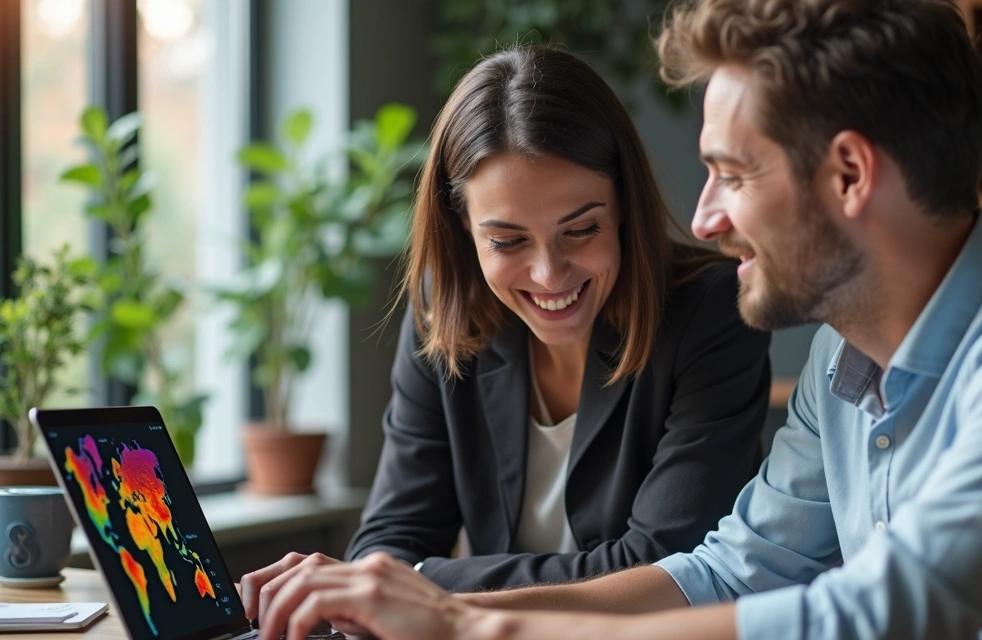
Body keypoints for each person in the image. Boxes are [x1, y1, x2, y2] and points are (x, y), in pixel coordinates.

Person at [247, 1, 982, 639]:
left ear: (846, 174)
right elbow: (726, 571)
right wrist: (424, 600)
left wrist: (468, 625)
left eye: (729, 172)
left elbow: (884, 610)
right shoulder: (845, 365)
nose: (703, 218)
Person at [240, 45, 772, 596]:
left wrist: (420, 583)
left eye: (582, 230)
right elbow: (392, 536)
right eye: (507, 240)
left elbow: (665, 564)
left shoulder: (712, 308)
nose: (549, 274)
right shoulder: (442, 310)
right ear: (463, 230)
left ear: (624, 207)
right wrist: (392, 578)